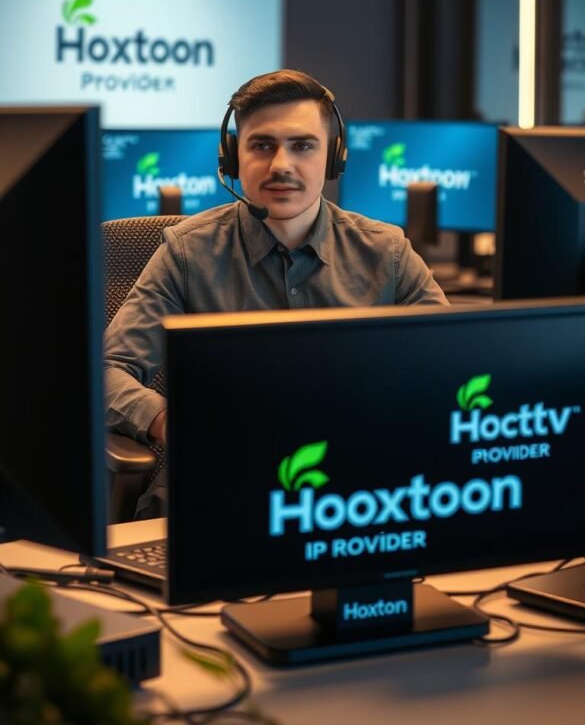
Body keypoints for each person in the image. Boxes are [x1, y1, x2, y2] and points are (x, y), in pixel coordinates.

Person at [104, 70, 447, 514]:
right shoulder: (188, 252)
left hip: (359, 493)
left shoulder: (387, 253)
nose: (281, 164)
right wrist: (170, 419)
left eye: (303, 145)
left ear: (332, 157)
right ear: (233, 157)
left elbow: (450, 366)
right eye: (262, 145)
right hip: (219, 488)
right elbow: (106, 372)